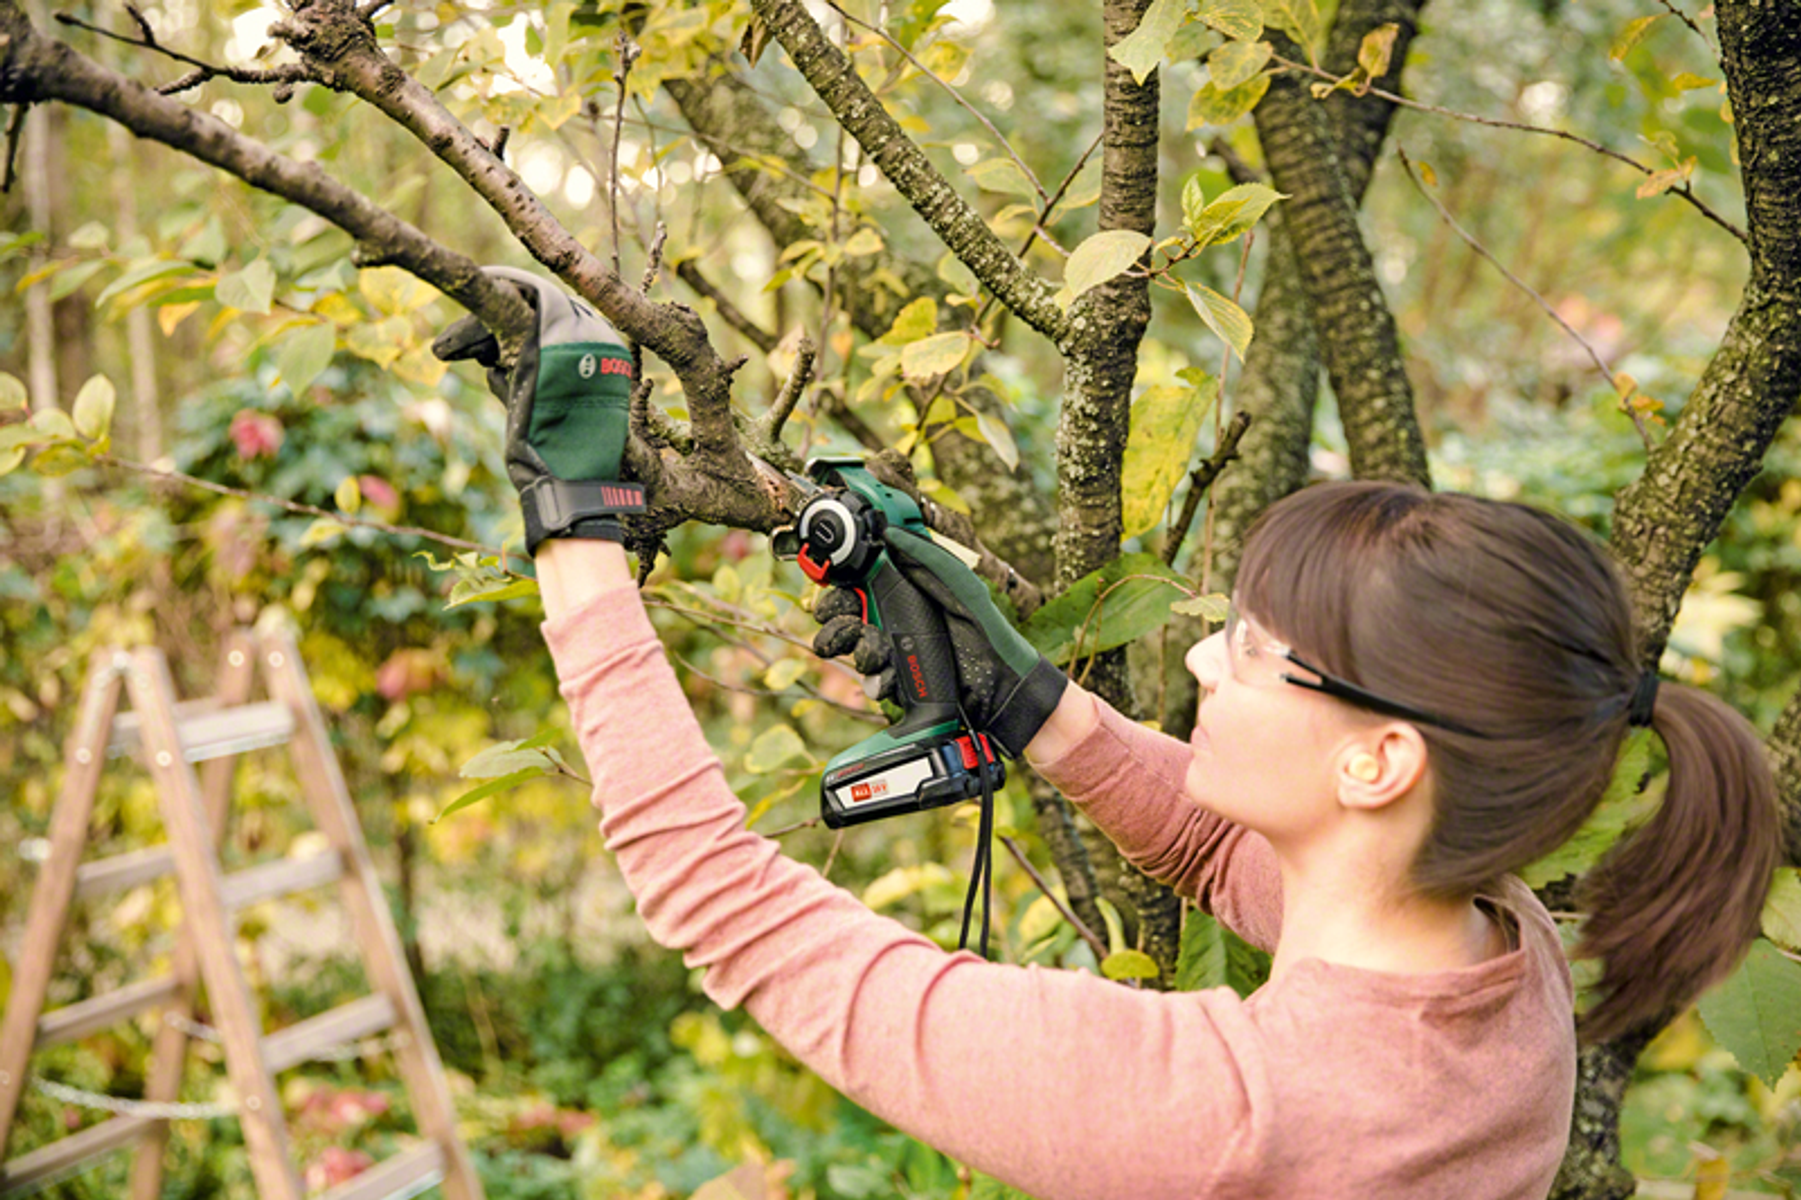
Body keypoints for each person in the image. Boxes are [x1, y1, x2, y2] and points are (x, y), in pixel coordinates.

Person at [434, 272, 1781, 1199]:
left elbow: (723, 904)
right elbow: (1218, 845)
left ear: (1379, 762)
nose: (1201, 656)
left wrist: (581, 530)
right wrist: (1031, 702)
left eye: (1252, 651)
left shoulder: (1232, 1114)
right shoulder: (1500, 959)